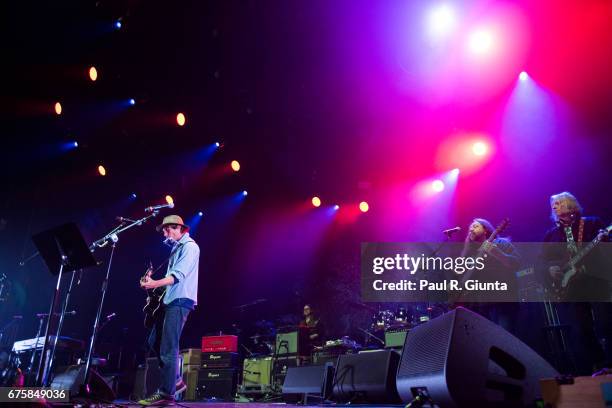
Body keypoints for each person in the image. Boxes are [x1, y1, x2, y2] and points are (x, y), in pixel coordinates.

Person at [541, 192, 611, 374]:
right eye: (553, 204)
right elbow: (542, 261)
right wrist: (550, 269)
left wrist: (605, 242)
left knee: (606, 322)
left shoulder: (592, 223)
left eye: (558, 202)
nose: (554, 206)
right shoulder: (551, 235)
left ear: (570, 204)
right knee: (582, 329)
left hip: (596, 280)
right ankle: (599, 364)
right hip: (571, 287)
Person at [138, 215, 200, 406]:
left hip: (181, 301)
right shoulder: (176, 248)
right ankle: (175, 381)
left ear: (177, 227)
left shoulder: (190, 247)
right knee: (154, 341)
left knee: (168, 347)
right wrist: (153, 286)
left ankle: (167, 394)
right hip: (170, 299)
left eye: (166, 230)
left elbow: (177, 276)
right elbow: (168, 280)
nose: (164, 234)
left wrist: (154, 283)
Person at [457, 218, 521, 333]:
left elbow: (516, 264)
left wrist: (498, 253)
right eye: (469, 228)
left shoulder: (501, 243)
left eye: (475, 226)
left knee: (504, 339)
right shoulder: (471, 254)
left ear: (485, 230)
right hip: (481, 306)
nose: (471, 229)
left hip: (504, 302)